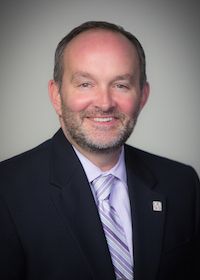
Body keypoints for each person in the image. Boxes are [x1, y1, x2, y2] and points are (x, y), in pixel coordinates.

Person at [0, 21, 199, 280]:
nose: (105, 103)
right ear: (57, 96)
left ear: (142, 96)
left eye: (120, 85)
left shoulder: (182, 184)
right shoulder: (6, 191)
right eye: (85, 84)